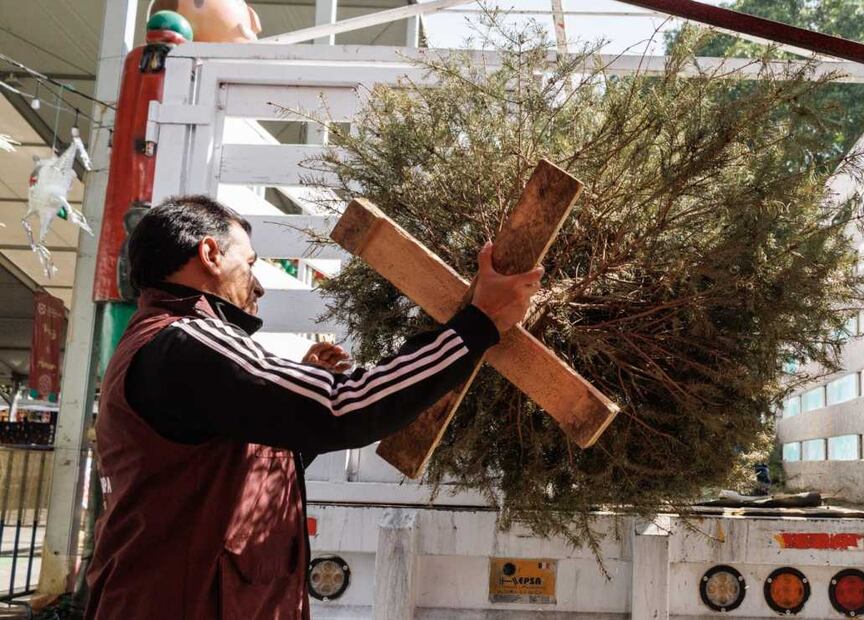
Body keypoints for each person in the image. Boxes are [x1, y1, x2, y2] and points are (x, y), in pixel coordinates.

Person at [85, 195, 543, 619]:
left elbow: (225, 467)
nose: (258, 284)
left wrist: (292, 402)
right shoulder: (185, 340)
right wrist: (477, 324)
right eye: (249, 263)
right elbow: (346, 407)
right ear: (210, 254)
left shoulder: (162, 343)